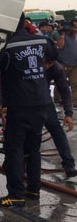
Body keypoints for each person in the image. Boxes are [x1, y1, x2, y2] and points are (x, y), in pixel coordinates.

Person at [0, 14, 54, 207]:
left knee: (15, 149)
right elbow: (53, 57)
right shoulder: (42, 40)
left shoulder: (7, 46)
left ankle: (16, 194)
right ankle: (33, 189)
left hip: (20, 104)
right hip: (41, 101)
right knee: (33, 149)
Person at [43, 48, 77, 178]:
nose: (47, 66)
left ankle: (69, 164)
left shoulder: (56, 68)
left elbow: (65, 91)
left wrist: (69, 114)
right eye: (45, 62)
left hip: (45, 102)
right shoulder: (30, 63)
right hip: (26, 101)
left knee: (57, 131)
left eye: (50, 63)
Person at [57, 19, 77, 107]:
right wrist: (62, 35)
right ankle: (58, 100)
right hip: (63, 64)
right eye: (75, 27)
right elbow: (60, 46)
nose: (76, 29)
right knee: (61, 83)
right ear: (70, 27)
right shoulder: (63, 35)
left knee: (75, 84)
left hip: (75, 65)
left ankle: (75, 102)